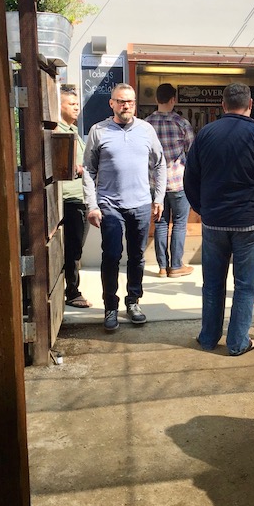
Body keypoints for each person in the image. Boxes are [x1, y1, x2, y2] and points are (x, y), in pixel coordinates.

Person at [185, 82, 254, 356]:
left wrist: (202, 208)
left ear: (223, 105)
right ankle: (237, 342)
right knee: (245, 285)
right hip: (250, 220)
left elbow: (190, 179)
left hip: (214, 221)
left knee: (213, 282)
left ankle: (208, 337)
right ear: (251, 105)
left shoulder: (205, 134)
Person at [83, 83, 166, 332]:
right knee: (111, 256)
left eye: (129, 101)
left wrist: (158, 198)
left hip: (140, 204)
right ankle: (110, 306)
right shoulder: (98, 131)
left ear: (134, 104)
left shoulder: (146, 130)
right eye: (120, 101)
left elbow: (160, 164)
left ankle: (133, 302)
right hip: (110, 205)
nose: (125, 105)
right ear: (112, 104)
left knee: (138, 257)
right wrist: (92, 204)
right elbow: (88, 169)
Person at [144, 83, 194, 278]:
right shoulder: (181, 123)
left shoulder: (146, 124)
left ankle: (162, 267)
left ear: (156, 99)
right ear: (174, 99)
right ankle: (176, 265)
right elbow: (192, 151)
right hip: (178, 181)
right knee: (180, 224)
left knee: (160, 224)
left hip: (155, 183)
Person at [57, 85, 92, 310]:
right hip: (70, 199)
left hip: (80, 198)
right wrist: (79, 168)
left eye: (77, 104)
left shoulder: (72, 130)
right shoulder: (59, 132)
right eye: (71, 104)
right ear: (58, 105)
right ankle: (72, 291)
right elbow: (63, 165)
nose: (76, 108)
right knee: (73, 249)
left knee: (75, 248)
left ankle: (70, 288)